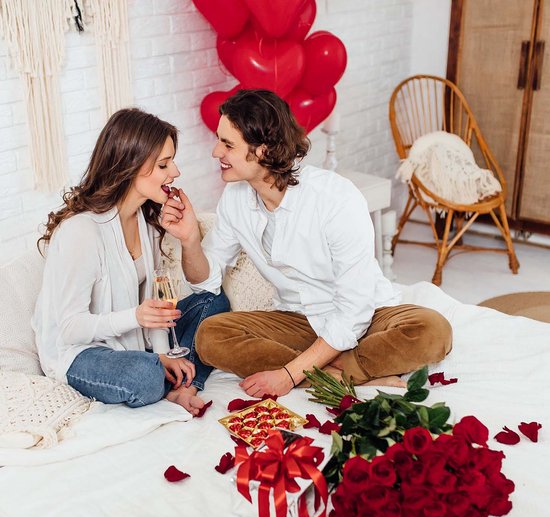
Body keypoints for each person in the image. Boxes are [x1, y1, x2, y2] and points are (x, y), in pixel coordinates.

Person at [160, 89, 453, 398]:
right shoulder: (235, 199)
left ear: (263, 150)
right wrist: (190, 238)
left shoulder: (335, 198)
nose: (216, 152)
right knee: (211, 336)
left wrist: (288, 375)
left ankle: (319, 371)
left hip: (367, 317)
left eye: (227, 144)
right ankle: (345, 375)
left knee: (433, 330)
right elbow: (205, 282)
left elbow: (355, 309)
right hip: (297, 320)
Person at [32, 108, 229, 415]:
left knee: (213, 303)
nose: (175, 172)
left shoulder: (144, 221)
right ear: (132, 165)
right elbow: (68, 328)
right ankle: (165, 377)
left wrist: (164, 355)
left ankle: (181, 385)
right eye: (164, 164)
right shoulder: (81, 231)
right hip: (82, 353)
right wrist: (137, 319)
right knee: (144, 376)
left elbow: (157, 308)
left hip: (136, 344)